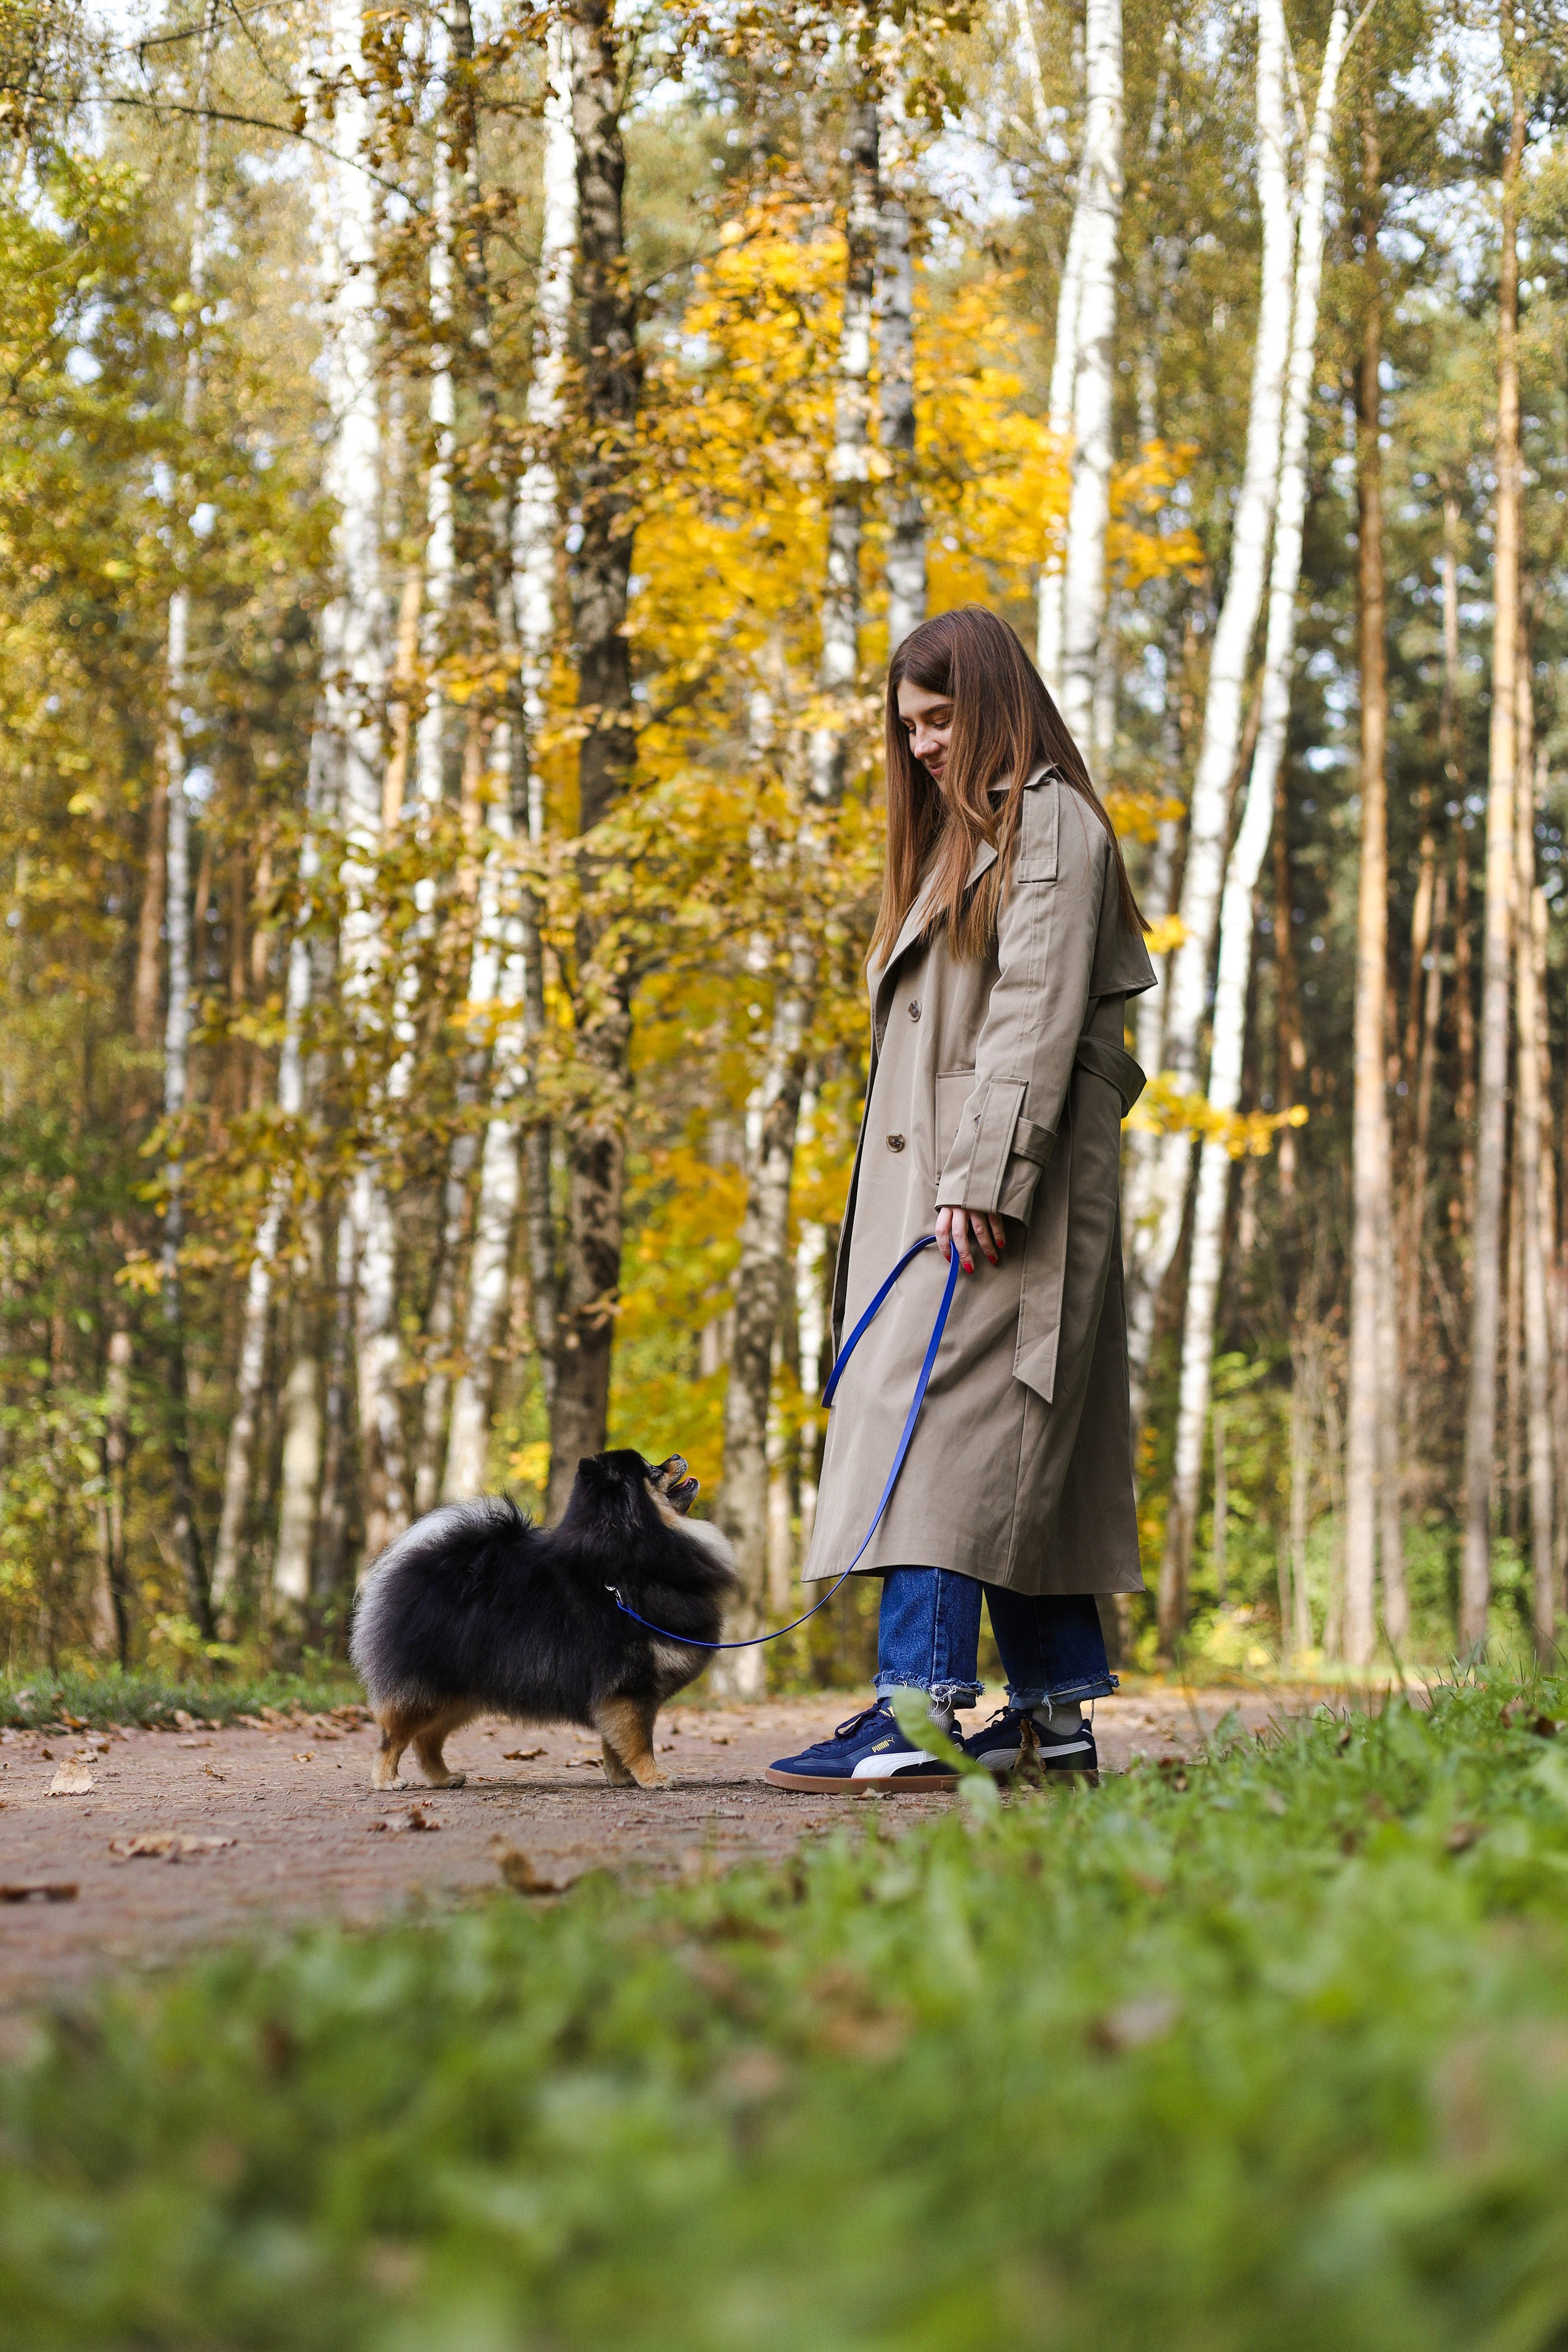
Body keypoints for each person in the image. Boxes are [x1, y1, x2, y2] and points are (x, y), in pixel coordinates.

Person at [767, 606, 1156, 1792]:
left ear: (991, 702)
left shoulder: (1044, 824)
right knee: (1010, 1443)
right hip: (957, 1187)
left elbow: (1034, 1011)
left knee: (931, 1422)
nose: (923, 746)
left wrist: (984, 1177)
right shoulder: (967, 837)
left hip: (992, 1191)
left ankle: (917, 1710)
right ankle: (1051, 1721)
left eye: (939, 720)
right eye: (909, 728)